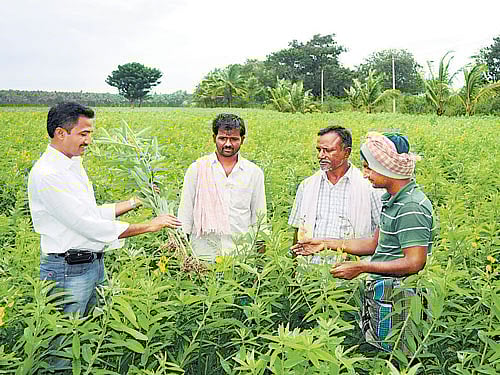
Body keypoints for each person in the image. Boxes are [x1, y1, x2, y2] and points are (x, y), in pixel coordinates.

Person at [28, 102, 182, 317]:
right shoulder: (48, 174)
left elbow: (89, 213)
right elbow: (88, 225)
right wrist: (150, 226)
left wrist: (136, 201)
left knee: (91, 332)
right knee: (62, 340)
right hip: (68, 271)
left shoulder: (73, 165)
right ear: (60, 133)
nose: (88, 141)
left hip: (91, 264)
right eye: (83, 134)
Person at [292, 131, 434, 353]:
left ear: (389, 167)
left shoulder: (411, 206)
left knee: (396, 357)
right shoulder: (392, 201)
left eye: (369, 167)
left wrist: (361, 266)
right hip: (383, 295)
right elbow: (374, 244)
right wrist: (324, 243)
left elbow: (414, 262)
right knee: (377, 352)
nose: (365, 174)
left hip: (401, 300)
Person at [177, 113, 267, 262]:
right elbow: (185, 213)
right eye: (222, 138)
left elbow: (259, 216)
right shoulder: (197, 169)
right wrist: (183, 254)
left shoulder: (253, 173)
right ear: (214, 138)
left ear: (242, 140)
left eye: (234, 139)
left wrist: (259, 261)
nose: (228, 144)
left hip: (240, 255)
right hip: (203, 254)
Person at [288, 126, 383, 266]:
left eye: (328, 150)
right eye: (319, 150)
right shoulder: (307, 186)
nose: (321, 155)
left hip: (350, 273)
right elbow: (298, 231)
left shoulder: (369, 187)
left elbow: (383, 235)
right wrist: (294, 269)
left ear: (346, 152)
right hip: (310, 275)